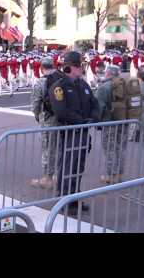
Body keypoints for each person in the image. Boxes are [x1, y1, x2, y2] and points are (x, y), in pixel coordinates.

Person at [49, 51, 100, 215]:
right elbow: (61, 111)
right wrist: (81, 121)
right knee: (67, 167)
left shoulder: (83, 85)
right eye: (79, 66)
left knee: (78, 167)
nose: (81, 69)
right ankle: (64, 200)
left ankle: (74, 198)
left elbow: (94, 103)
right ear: (70, 67)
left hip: (83, 132)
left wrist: (93, 118)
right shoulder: (59, 87)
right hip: (70, 132)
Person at [30, 56, 64, 189]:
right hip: (62, 119)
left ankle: (47, 178)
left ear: (42, 67)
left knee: (48, 149)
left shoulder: (40, 82)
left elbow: (35, 104)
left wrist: (38, 116)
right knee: (60, 147)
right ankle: (58, 175)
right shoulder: (61, 78)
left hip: (48, 119)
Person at [95, 65, 129, 184]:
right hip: (124, 121)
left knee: (110, 149)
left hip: (109, 122)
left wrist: (97, 122)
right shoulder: (125, 86)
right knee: (121, 149)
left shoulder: (104, 87)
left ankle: (111, 175)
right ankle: (119, 174)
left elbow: (99, 107)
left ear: (108, 74)